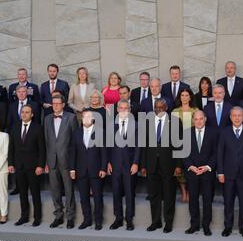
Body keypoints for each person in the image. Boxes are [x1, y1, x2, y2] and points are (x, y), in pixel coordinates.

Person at [141, 98, 183, 234]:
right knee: (154, 195)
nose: (158, 109)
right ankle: (156, 222)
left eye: (161, 107)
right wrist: (143, 165)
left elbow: (179, 145)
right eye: (156, 107)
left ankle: (168, 223)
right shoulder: (147, 122)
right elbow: (144, 146)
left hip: (169, 164)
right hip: (151, 164)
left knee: (169, 194)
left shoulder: (176, 122)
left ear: (166, 108)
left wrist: (178, 165)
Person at [217, 106, 243, 239]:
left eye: (239, 115)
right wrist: (220, 172)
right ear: (230, 117)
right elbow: (220, 153)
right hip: (228, 174)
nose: (236, 118)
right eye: (234, 115)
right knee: (228, 202)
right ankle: (228, 226)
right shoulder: (224, 132)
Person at [8, 105, 46, 227]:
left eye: (27, 112)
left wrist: (40, 165)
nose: (24, 114)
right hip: (19, 166)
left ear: (32, 114)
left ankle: (37, 217)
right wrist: (11, 163)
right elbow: (11, 147)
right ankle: (24, 217)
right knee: (22, 193)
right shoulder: (15, 127)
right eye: (23, 112)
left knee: (35, 193)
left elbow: (42, 149)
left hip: (33, 166)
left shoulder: (37, 128)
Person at [44, 95, 78, 229]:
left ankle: (70, 217)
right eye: (54, 103)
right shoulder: (47, 119)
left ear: (63, 104)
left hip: (66, 161)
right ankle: (58, 215)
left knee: (69, 189)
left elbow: (75, 142)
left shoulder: (71, 118)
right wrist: (46, 161)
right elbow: (46, 141)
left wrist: (73, 164)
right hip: (52, 160)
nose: (56, 105)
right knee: (55, 190)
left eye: (58, 103)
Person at [70, 109, 107, 230]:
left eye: (89, 117)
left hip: (96, 169)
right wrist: (72, 169)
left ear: (93, 119)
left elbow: (104, 152)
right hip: (80, 170)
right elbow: (73, 152)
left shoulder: (100, 132)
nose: (86, 119)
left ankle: (98, 221)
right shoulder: (76, 132)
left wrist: (103, 168)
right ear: (81, 119)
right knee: (83, 197)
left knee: (97, 197)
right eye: (84, 116)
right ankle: (87, 220)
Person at [183, 110, 218, 236]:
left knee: (207, 200)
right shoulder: (187, 133)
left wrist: (208, 167)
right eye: (196, 119)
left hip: (207, 172)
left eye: (201, 118)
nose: (198, 121)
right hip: (192, 172)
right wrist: (190, 166)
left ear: (205, 119)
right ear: (193, 120)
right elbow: (184, 152)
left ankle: (206, 225)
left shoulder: (213, 133)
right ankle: (194, 224)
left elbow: (216, 153)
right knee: (193, 200)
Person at [108, 100, 140, 231]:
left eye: (126, 108)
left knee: (129, 192)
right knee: (116, 192)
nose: (123, 110)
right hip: (114, 164)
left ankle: (129, 219)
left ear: (129, 110)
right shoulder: (111, 125)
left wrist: (136, 163)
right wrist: (108, 162)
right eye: (121, 108)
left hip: (129, 165)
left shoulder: (136, 125)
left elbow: (139, 146)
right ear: (117, 110)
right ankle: (118, 218)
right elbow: (108, 146)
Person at [172, 88, 198, 203]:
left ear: (190, 97)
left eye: (186, 95)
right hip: (178, 143)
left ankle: (189, 191)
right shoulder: (175, 111)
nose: (184, 97)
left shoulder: (195, 110)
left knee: (190, 167)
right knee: (179, 169)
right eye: (182, 95)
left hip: (192, 143)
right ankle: (183, 192)